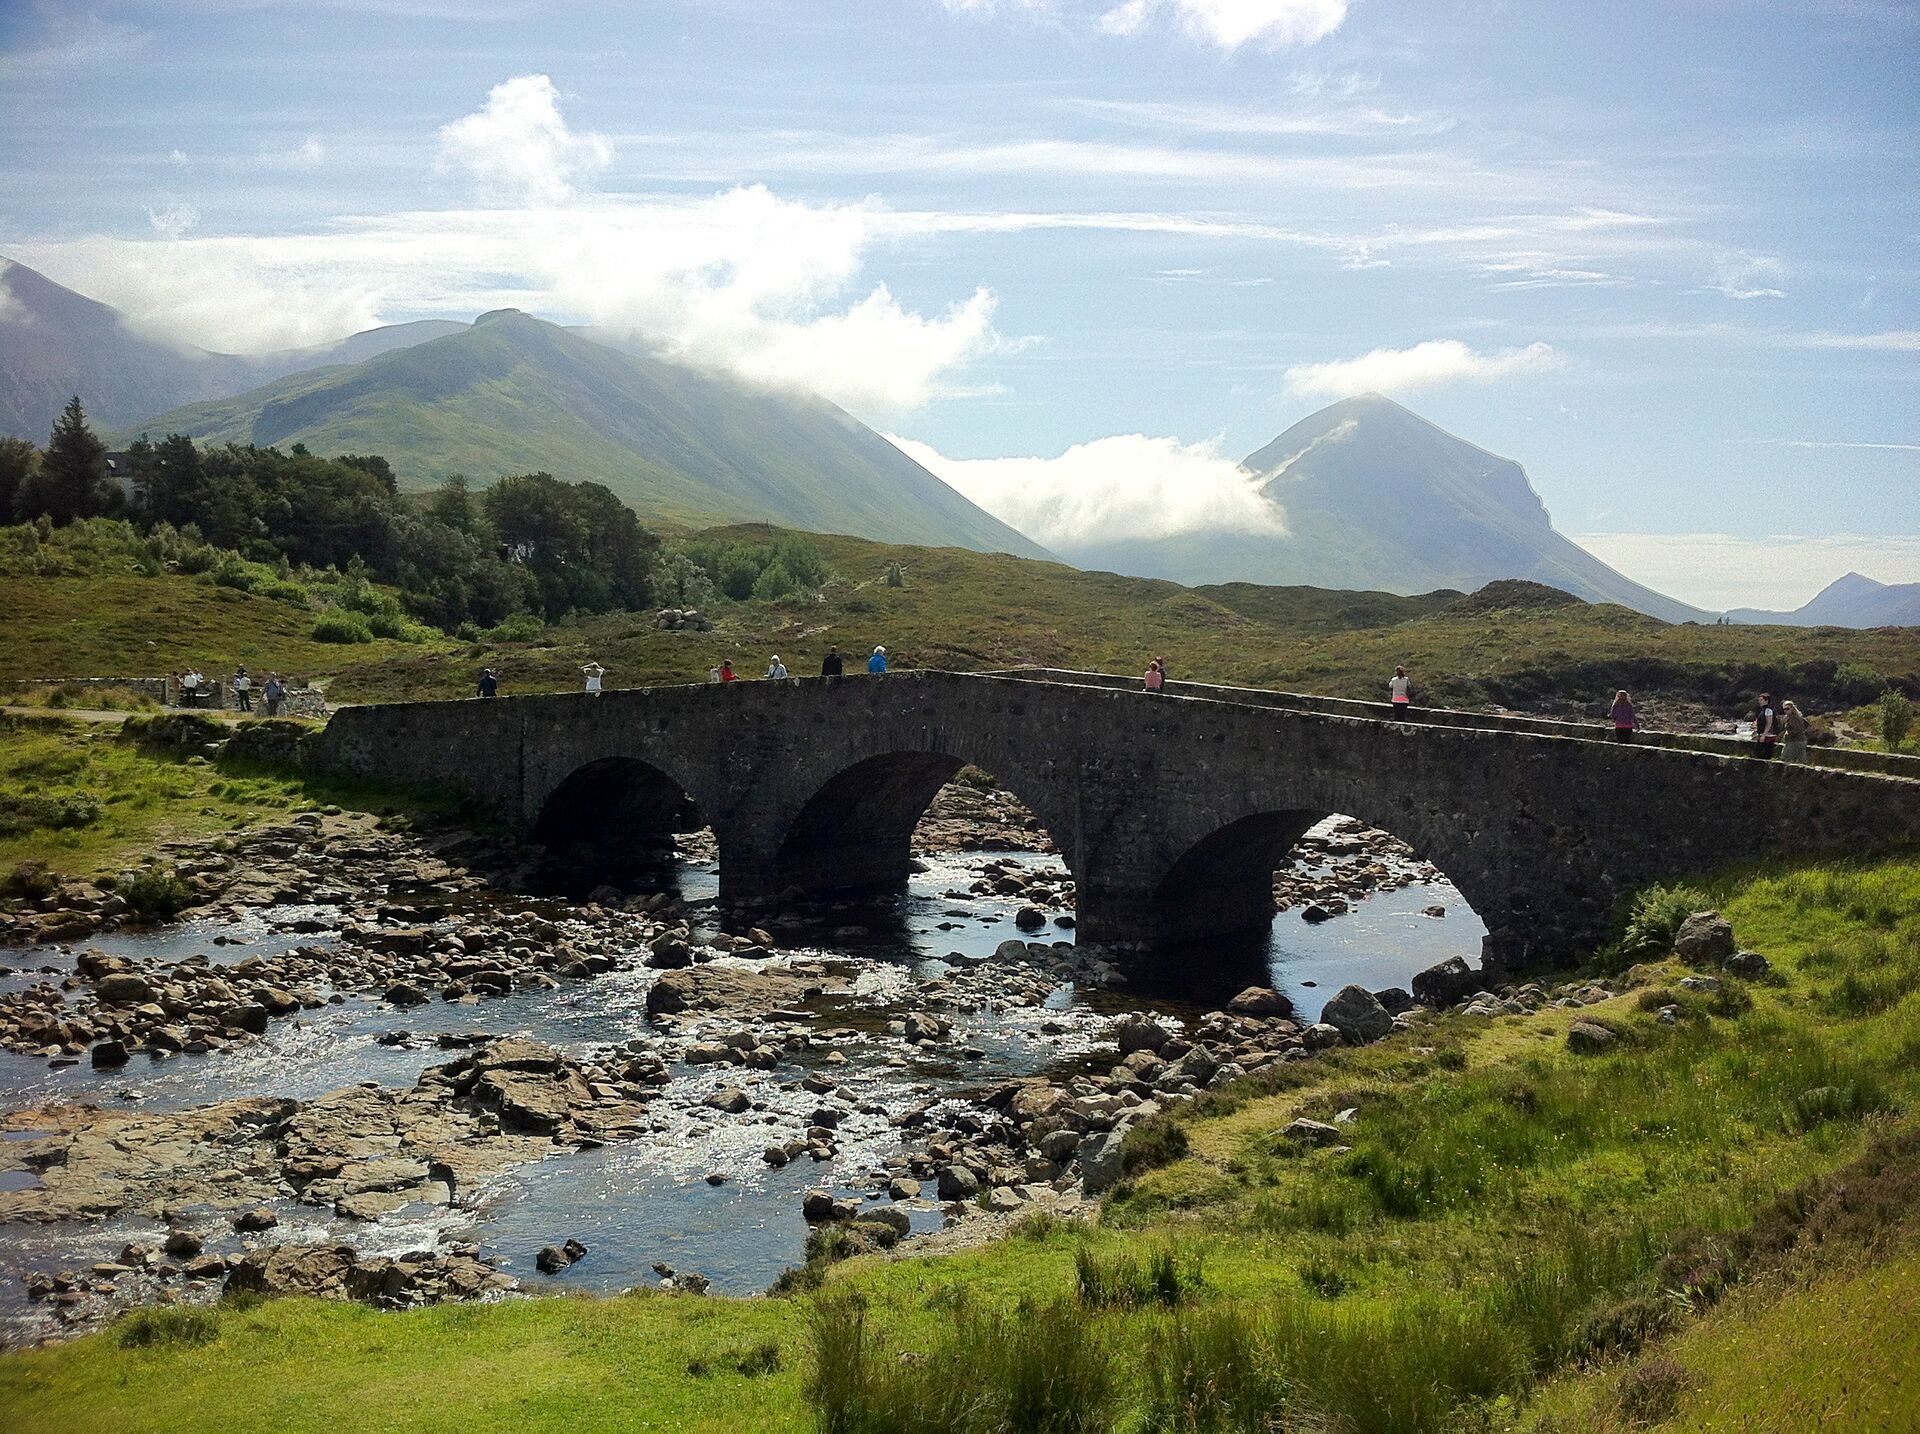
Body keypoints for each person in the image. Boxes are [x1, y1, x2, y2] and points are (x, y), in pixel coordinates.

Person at [1752, 692, 1778, 759]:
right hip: (1764, 735)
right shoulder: (1763, 710)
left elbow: (1769, 724)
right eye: (1759, 700)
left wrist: (1763, 735)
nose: (1759, 702)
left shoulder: (1768, 710)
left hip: (1768, 736)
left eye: (1761, 700)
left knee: (1763, 753)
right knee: (1758, 753)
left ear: (1766, 701)